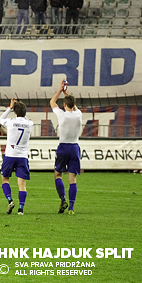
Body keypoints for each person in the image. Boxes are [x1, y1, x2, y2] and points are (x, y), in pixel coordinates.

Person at [50, 79, 83, 214]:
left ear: (64, 105)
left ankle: (63, 199)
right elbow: (72, 105)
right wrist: (67, 93)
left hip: (63, 147)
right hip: (74, 147)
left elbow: (52, 102)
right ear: (74, 104)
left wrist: (60, 90)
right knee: (72, 179)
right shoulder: (78, 114)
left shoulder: (61, 115)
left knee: (58, 175)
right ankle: (71, 208)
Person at [0, 98, 33, 215]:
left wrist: (10, 108)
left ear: (15, 112)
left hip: (10, 155)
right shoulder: (30, 124)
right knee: (22, 185)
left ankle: (10, 200)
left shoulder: (11, 122)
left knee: (5, 179)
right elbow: (26, 118)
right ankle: (21, 209)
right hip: (22, 157)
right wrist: (20, 110)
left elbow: (1, 120)